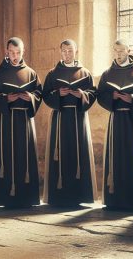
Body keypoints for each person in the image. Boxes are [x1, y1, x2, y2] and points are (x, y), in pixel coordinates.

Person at [96, 39, 133, 210]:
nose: (118, 54)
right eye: (115, 51)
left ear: (129, 50)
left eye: (121, 51)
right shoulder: (107, 74)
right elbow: (100, 96)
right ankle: (115, 200)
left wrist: (132, 98)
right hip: (116, 119)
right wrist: (112, 97)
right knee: (116, 157)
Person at [0, 37, 42, 208]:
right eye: (11, 52)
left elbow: (39, 93)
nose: (15, 56)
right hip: (6, 118)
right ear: (6, 51)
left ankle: (26, 197)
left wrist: (30, 97)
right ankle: (5, 197)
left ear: (23, 52)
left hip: (24, 119)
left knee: (24, 156)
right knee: (7, 156)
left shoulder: (31, 73)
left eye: (18, 52)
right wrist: (6, 98)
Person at [42, 39, 97, 207]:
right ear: (60, 52)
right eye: (64, 51)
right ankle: (59, 195)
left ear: (76, 51)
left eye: (70, 51)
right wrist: (58, 94)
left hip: (79, 117)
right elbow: (45, 95)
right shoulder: (53, 73)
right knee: (60, 153)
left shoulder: (85, 73)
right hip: (60, 116)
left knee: (78, 153)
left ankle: (79, 195)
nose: (67, 54)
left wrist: (82, 95)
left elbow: (93, 93)